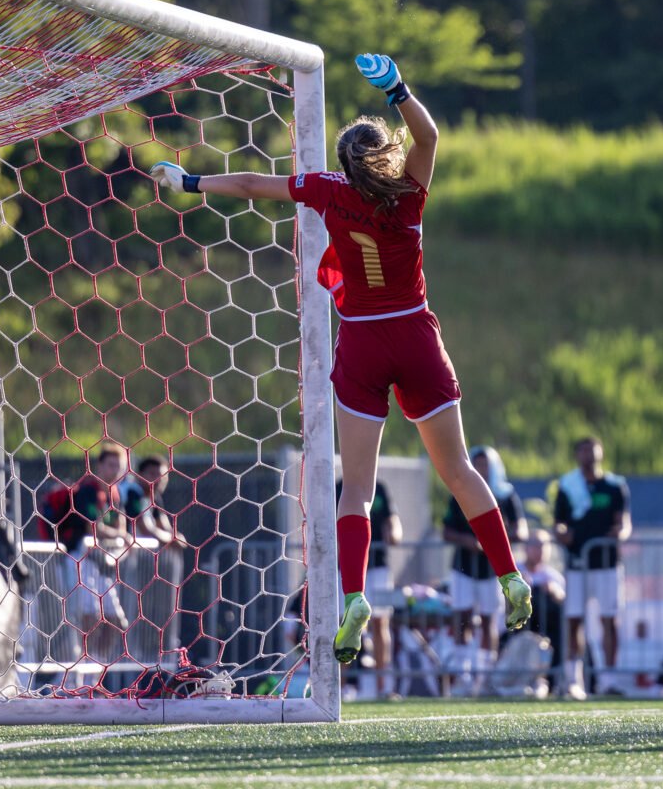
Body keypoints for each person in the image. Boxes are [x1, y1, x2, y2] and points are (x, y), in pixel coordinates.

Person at [150, 53, 532, 666]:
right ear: (387, 155)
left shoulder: (326, 188)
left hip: (360, 340)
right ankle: (510, 576)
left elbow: (251, 185)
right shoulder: (409, 193)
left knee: (355, 488)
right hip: (414, 334)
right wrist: (397, 89)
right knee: (458, 467)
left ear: (345, 160)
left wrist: (190, 181)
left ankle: (352, 595)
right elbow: (430, 135)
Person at [443, 446, 527, 693]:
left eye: (485, 464)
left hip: (493, 570)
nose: (481, 469)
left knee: (489, 620)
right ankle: (463, 677)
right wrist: (469, 541)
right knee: (463, 617)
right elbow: (446, 529)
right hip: (464, 567)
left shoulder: (506, 495)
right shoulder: (460, 491)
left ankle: (485, 676)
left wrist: (495, 538)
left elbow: (521, 530)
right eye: (476, 463)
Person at [553, 436, 631, 698]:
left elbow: (623, 523)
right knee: (574, 621)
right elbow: (559, 522)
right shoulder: (568, 485)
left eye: (592, 449)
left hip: (607, 564)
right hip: (577, 565)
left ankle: (609, 679)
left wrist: (619, 534)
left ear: (601, 452)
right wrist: (562, 533)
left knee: (609, 620)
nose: (588, 454)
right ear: (577, 455)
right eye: (583, 449)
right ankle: (573, 680)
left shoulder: (614, 486)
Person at [58, 440, 133, 661]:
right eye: (111, 465)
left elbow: (121, 525)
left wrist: (121, 534)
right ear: (99, 466)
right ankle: (82, 665)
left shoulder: (115, 494)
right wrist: (121, 535)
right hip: (80, 559)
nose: (116, 471)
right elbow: (93, 527)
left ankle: (97, 664)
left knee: (116, 620)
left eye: (119, 466)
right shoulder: (87, 491)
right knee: (88, 616)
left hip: (101, 563)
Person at [336, 477, 402, 698]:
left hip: (378, 568)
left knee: (380, 623)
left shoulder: (379, 487)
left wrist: (394, 533)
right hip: (346, 570)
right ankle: (340, 687)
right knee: (344, 624)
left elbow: (393, 523)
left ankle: (384, 687)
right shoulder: (337, 487)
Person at [118, 455, 189, 661]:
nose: (157, 480)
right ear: (139, 475)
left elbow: (166, 530)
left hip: (141, 568)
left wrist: (173, 538)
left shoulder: (154, 497)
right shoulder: (132, 492)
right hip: (121, 565)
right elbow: (145, 528)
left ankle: (142, 664)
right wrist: (171, 540)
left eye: (162, 476)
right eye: (152, 474)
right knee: (121, 618)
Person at [519, 528, 566, 685]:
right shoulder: (516, 571)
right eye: (536, 545)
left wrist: (553, 591)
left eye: (544, 546)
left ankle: (553, 680)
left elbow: (562, 598)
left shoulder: (553, 576)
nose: (540, 550)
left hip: (548, 630)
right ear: (526, 548)